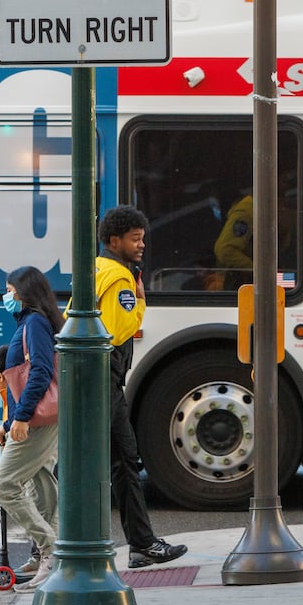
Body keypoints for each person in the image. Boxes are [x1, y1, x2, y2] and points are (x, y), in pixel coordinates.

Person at [94, 205, 187, 569]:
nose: (142, 245)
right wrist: (141, 301)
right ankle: (143, 545)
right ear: (114, 240)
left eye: (143, 238)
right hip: (107, 381)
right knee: (124, 462)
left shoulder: (98, 268)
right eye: (135, 239)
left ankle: (140, 544)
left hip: (97, 382)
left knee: (110, 463)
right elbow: (117, 332)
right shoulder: (119, 278)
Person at [0, 266, 61, 593]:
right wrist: (9, 422)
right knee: (42, 482)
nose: (6, 297)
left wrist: (20, 418)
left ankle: (51, 550)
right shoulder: (31, 322)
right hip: (36, 417)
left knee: (4, 486)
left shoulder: (34, 322)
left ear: (23, 291)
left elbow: (41, 371)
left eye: (10, 290)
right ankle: (44, 554)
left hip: (35, 419)